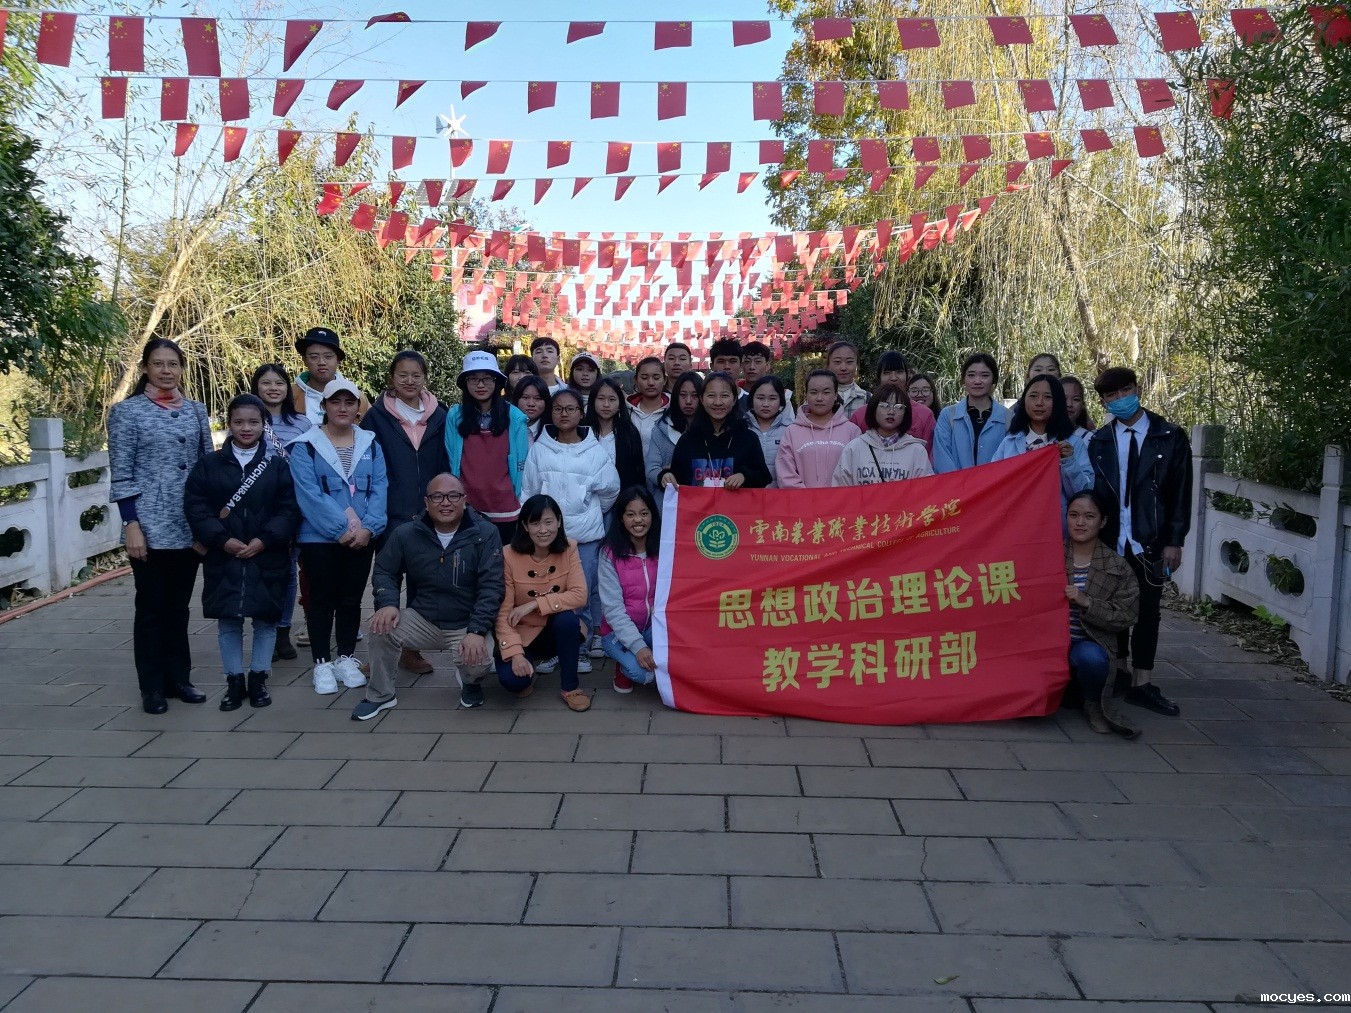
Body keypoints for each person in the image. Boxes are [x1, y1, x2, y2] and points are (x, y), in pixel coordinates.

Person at [108, 338, 214, 715]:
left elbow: (207, 469)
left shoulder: (196, 410)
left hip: (188, 524)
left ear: (181, 368)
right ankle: (151, 686)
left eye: (173, 364)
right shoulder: (127, 412)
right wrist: (131, 524)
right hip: (149, 524)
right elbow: (121, 473)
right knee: (151, 606)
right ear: (145, 368)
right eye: (158, 364)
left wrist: (207, 526)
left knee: (179, 607)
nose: (166, 371)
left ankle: (179, 679)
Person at [184, 394, 300, 711]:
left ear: (264, 425)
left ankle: (259, 678)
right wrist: (222, 540)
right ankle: (234, 681)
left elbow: (289, 509)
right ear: (229, 424)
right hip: (224, 555)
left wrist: (266, 539)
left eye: (253, 422)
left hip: (267, 554)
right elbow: (196, 507)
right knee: (228, 621)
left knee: (265, 621)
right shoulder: (209, 465)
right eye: (238, 422)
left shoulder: (277, 466)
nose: (246, 428)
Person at [1088, 367, 1192, 717]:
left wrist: (1174, 540)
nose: (1120, 399)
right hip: (1111, 539)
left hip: (1150, 540)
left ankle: (1142, 681)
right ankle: (1119, 671)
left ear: (1137, 389)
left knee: (1148, 610)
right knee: (1113, 609)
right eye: (1111, 395)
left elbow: (1180, 493)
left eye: (1125, 391)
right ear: (1103, 402)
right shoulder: (1100, 441)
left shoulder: (1170, 436)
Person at [355, 473, 504, 718]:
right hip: (423, 618)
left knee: (478, 661)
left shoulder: (485, 533)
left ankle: (470, 682)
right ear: (426, 502)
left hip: (466, 622)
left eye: (453, 496)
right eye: (437, 497)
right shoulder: (407, 533)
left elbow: (492, 586)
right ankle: (380, 694)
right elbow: (384, 570)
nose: (445, 503)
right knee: (380, 626)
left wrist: (477, 630)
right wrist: (388, 603)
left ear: (464, 499)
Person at [288, 378, 388, 695]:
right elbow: (309, 494)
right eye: (335, 402)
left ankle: (345, 658)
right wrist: (339, 530)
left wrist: (370, 528)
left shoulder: (371, 444)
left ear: (358, 407)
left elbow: (379, 488)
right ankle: (322, 662)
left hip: (362, 537)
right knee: (320, 601)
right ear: (324, 406)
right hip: (319, 539)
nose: (342, 408)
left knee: (350, 600)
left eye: (349, 402)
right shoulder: (306, 446)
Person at [360, 350, 451, 676]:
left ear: (425, 378)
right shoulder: (376, 417)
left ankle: (411, 650)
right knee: (386, 579)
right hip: (390, 510)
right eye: (403, 375)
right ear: (392, 378)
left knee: (422, 582)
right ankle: (381, 652)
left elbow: (447, 461)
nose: (409, 381)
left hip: (429, 512)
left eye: (416, 375)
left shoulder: (441, 416)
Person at [522, 388, 620, 673]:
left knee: (581, 594)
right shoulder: (540, 449)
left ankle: (580, 650)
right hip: (546, 538)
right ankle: (554, 649)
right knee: (549, 592)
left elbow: (610, 490)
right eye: (558, 409)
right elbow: (529, 491)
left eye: (570, 409)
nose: (564, 414)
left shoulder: (594, 451)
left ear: (581, 413)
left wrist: (589, 512)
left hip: (584, 538)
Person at [495, 494, 591, 712]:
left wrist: (534, 604)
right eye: (535, 523)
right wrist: (516, 654)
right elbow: (503, 613)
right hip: (521, 632)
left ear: (559, 521)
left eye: (549, 522)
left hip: (554, 628)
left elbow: (579, 595)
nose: (543, 530)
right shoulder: (508, 555)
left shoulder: (569, 548)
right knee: (514, 683)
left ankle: (571, 688)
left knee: (568, 620)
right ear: (525, 526)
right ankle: (524, 665)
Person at [1063, 490, 1141, 737]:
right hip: (1048, 642)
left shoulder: (1117, 567)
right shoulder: (1049, 555)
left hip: (1087, 643)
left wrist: (1087, 603)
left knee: (1093, 660)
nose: (1080, 522)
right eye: (1073, 515)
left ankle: (1093, 703)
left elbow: (1126, 615)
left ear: (1103, 521)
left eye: (1089, 516)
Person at [250, 363, 311, 662]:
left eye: (279, 383)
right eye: (266, 383)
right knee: (259, 569)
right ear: (256, 387)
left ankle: (282, 630)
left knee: (288, 571)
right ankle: (263, 628)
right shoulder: (248, 420)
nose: (273, 388)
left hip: (293, 506)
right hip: (257, 507)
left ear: (288, 388)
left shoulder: (302, 423)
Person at [445, 350, 531, 546]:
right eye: (473, 379)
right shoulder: (455, 416)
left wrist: (517, 496)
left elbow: (521, 462)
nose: (481, 385)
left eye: (487, 379)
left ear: (497, 382)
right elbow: (451, 458)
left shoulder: (515, 417)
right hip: (466, 505)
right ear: (465, 383)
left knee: (503, 559)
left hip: (506, 507)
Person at [992, 376, 1093, 514]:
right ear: (1024, 400)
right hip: (1015, 520)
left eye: (1047, 397)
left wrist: (1069, 462)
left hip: (1056, 523)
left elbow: (1084, 492)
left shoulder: (1073, 443)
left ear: (1058, 402)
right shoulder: (1009, 443)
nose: (1039, 403)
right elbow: (994, 485)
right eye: (1033, 396)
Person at [662, 372, 772, 489]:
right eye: (711, 396)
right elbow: (677, 477)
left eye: (724, 396)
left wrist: (744, 476)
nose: (718, 402)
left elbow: (764, 476)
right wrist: (666, 475)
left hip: (738, 501)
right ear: (702, 399)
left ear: (734, 400)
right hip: (699, 501)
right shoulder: (688, 440)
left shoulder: (748, 438)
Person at [599, 487, 661, 694]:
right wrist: (638, 647)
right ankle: (624, 664)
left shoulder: (664, 547)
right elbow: (613, 609)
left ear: (652, 515)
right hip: (616, 632)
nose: (638, 520)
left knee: (678, 659)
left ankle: (642, 654)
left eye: (644, 513)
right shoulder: (609, 553)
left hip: (653, 627)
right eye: (631, 514)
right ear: (621, 519)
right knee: (643, 674)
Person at [833, 385, 934, 486]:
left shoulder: (916, 451)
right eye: (885, 406)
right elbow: (841, 490)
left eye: (898, 407)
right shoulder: (854, 448)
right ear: (873, 409)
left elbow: (925, 490)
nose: (891, 412)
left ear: (905, 412)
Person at [776, 370, 861, 489]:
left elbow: (859, 472)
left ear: (835, 395)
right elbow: (785, 475)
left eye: (826, 392)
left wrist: (840, 497)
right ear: (806, 394)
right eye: (814, 392)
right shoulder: (792, 431)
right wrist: (809, 498)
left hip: (843, 499)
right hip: (802, 500)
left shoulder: (852, 431)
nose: (819, 398)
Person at [933, 352, 1011, 473]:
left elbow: (1011, 458)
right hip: (956, 483)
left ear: (993, 380)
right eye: (971, 375)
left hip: (997, 483)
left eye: (984, 375)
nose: (977, 381)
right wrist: (960, 483)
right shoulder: (948, 415)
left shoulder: (1008, 417)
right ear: (964, 380)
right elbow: (942, 458)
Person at [848, 351, 935, 452]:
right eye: (887, 373)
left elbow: (930, 454)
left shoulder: (925, 415)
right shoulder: (860, 416)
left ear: (907, 375)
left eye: (899, 372)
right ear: (878, 377)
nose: (893, 378)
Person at [291, 327, 371, 425]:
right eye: (314, 357)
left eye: (328, 356)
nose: (321, 362)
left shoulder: (357, 398)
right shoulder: (291, 396)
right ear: (304, 360)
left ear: (338, 360)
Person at [586, 377, 646, 493]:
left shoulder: (629, 432)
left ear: (620, 403)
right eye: (601, 399)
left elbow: (638, 471)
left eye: (612, 399)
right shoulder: (583, 432)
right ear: (593, 401)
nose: (606, 404)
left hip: (623, 496)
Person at [645, 370, 702, 492]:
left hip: (703, 496)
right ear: (676, 397)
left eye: (694, 395)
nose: (688, 401)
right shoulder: (662, 428)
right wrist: (664, 475)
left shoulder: (712, 428)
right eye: (683, 395)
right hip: (669, 497)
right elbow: (651, 468)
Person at [747, 376, 793, 486]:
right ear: (752, 399)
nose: (766, 404)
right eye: (760, 398)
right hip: (748, 494)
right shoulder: (741, 429)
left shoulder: (790, 430)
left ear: (781, 401)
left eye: (772, 398)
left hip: (780, 494)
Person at [627, 356, 670, 451]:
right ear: (635, 380)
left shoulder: (674, 410)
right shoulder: (625, 410)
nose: (651, 383)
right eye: (644, 378)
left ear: (665, 380)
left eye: (656, 378)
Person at [825, 340, 869, 416]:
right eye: (837, 362)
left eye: (849, 362)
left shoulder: (868, 399)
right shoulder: (817, 398)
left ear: (857, 365)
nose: (843, 368)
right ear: (828, 365)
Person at [511, 375, 551, 442]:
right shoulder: (505, 427)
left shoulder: (554, 431)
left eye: (537, 398)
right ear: (516, 399)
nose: (531, 404)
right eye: (525, 397)